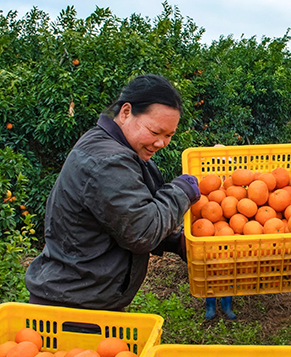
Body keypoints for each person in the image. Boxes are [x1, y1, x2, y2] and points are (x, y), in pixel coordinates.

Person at [25, 74, 201, 311]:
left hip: (84, 298)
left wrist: (175, 241)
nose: (161, 143)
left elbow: (125, 216)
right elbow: (141, 231)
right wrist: (181, 191)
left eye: (168, 136)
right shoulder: (109, 160)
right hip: (72, 307)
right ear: (126, 112)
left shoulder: (118, 149)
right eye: (155, 132)